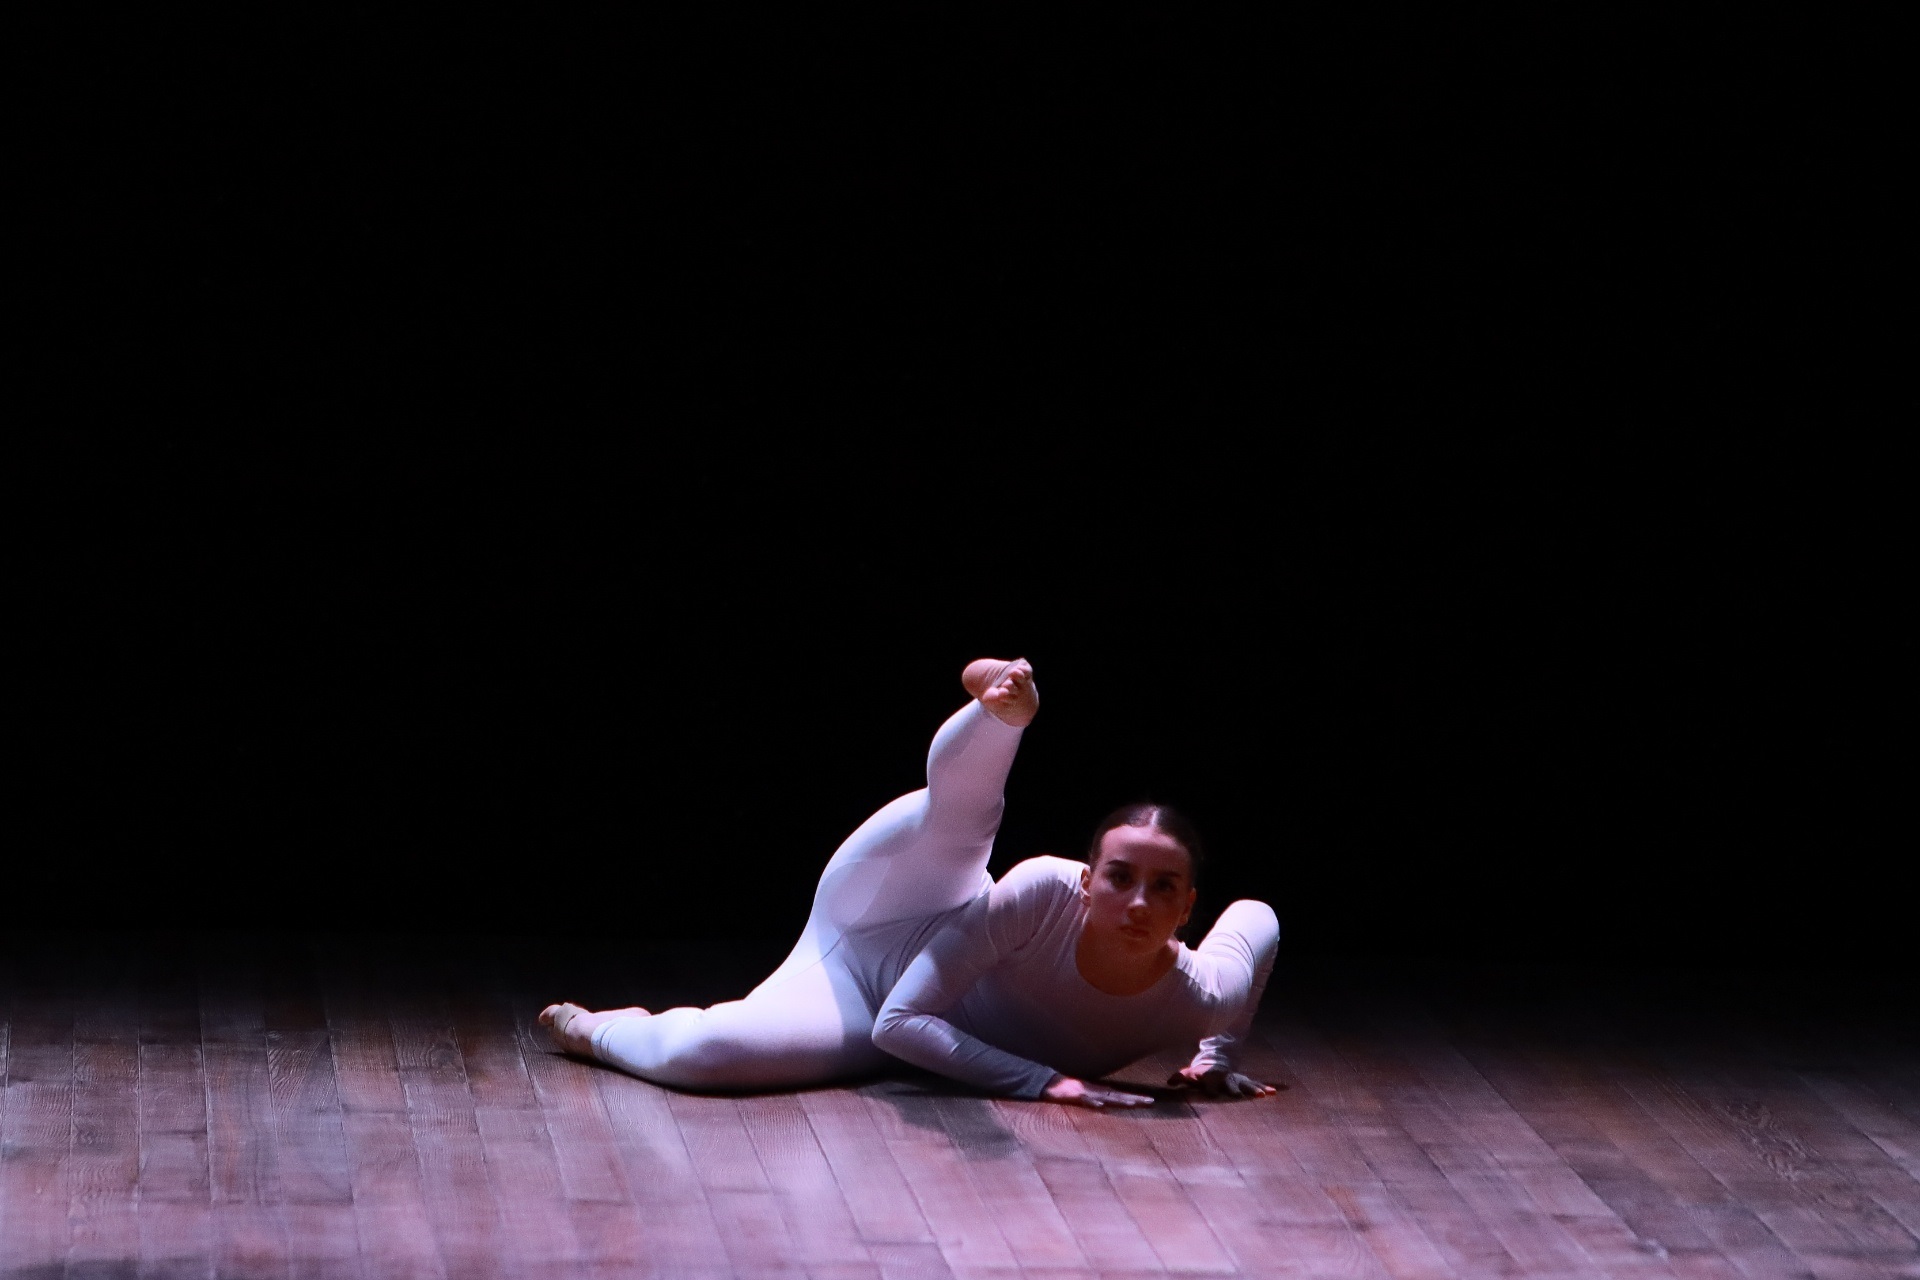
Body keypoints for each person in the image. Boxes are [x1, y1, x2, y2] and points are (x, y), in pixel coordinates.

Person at [539, 658, 1279, 1109]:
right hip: (896, 907)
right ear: (1089, 882)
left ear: (1188, 906)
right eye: (1120, 877)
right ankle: (1000, 709)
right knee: (959, 822)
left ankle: (595, 1030)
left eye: (1164, 888)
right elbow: (904, 1018)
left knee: (708, 1056)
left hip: (863, 1006)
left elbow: (1257, 916)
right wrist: (1039, 1081)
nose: (1139, 902)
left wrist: (1215, 1058)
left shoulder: (1202, 998)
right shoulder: (1046, 891)